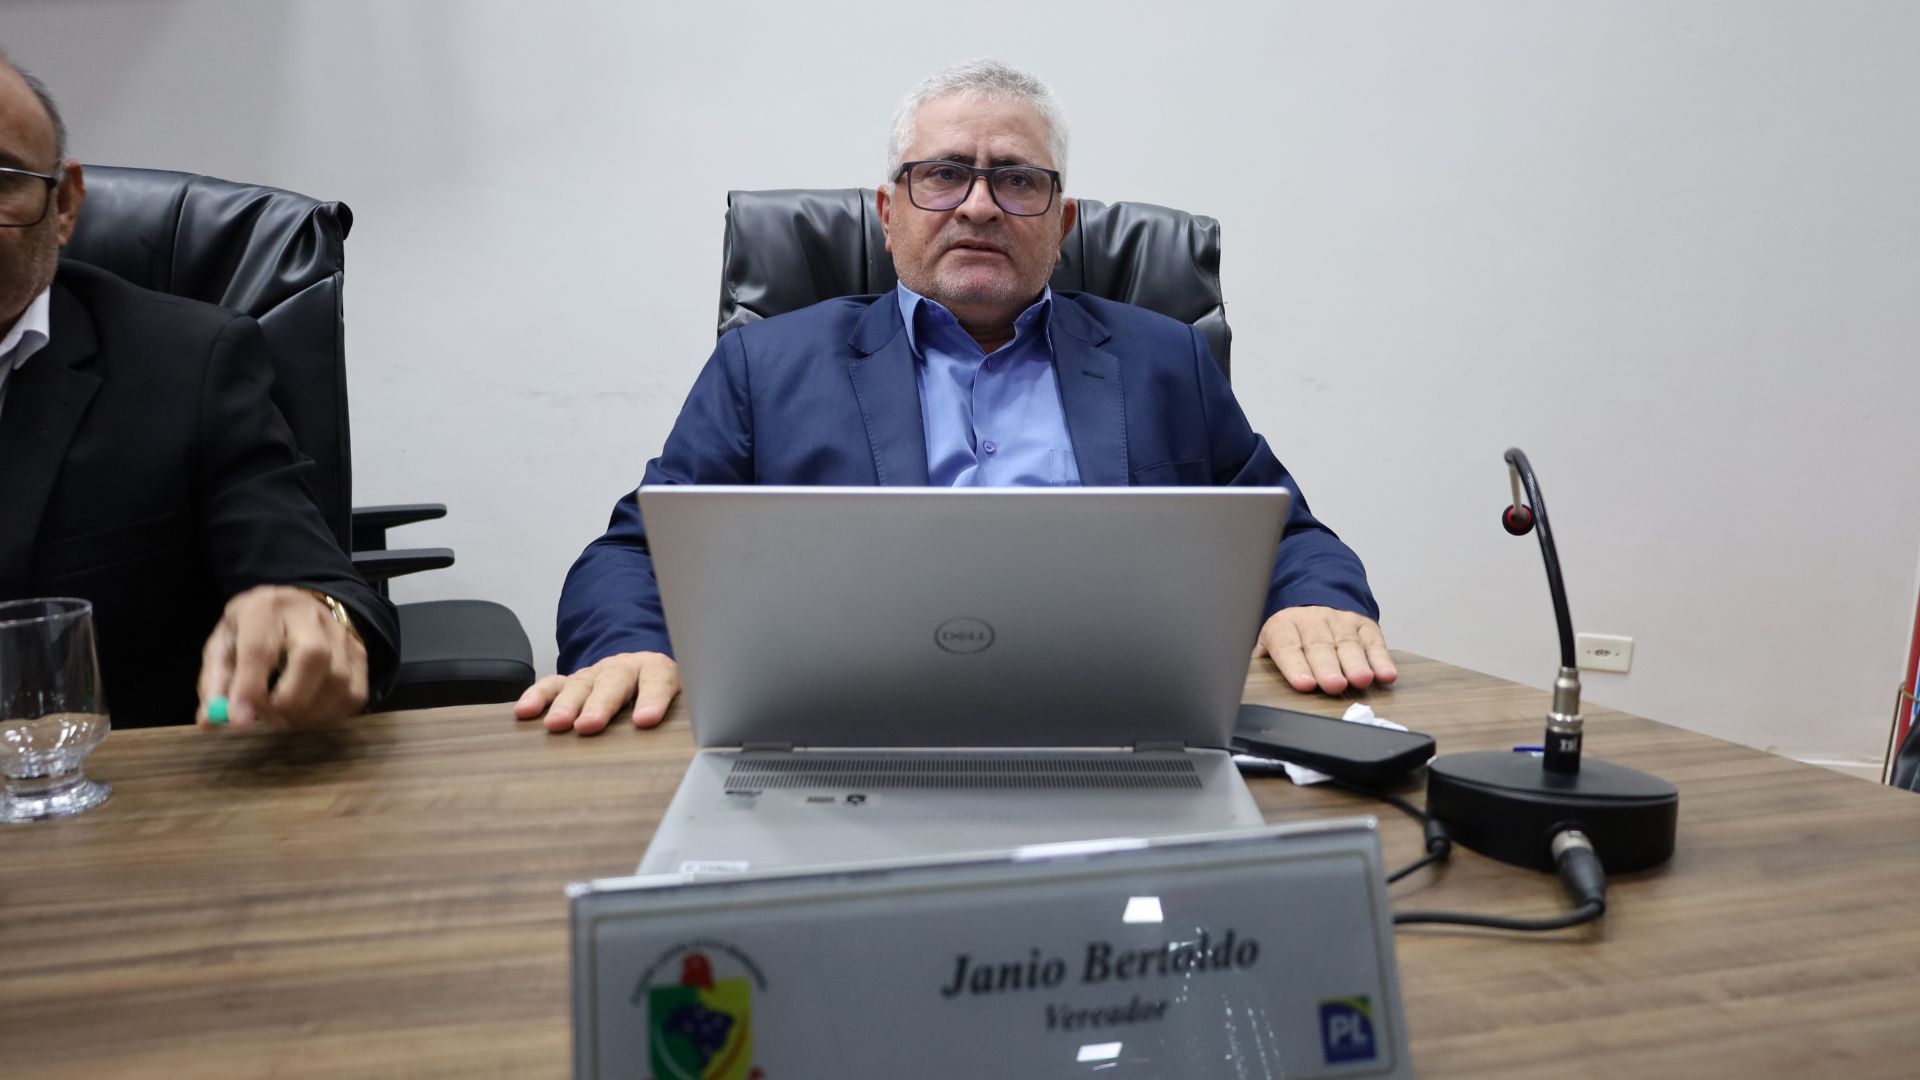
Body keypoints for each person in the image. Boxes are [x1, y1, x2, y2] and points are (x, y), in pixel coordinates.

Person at [522, 59, 1394, 736]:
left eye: (1017, 179)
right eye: (943, 175)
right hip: (844, 731)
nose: (979, 206)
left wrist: (1311, 601)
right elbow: (635, 552)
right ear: (888, 211)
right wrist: (632, 645)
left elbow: (1286, 534)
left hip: (1118, 728)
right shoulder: (765, 366)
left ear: (1063, 222)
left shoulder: (1164, 360)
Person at [0, 53, 398, 729]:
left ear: (64, 205)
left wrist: (314, 616)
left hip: (115, 785)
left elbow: (316, 585)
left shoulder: (185, 365)